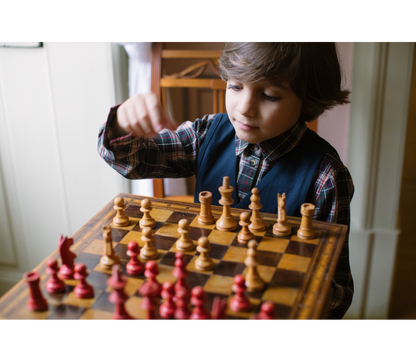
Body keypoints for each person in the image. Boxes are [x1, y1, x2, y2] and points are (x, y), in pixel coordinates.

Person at [97, 39, 354, 321]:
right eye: (235, 86)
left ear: (309, 97)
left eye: (269, 95)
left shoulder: (326, 177)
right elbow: (134, 161)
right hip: (202, 305)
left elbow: (335, 289)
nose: (245, 108)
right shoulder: (206, 133)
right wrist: (122, 124)